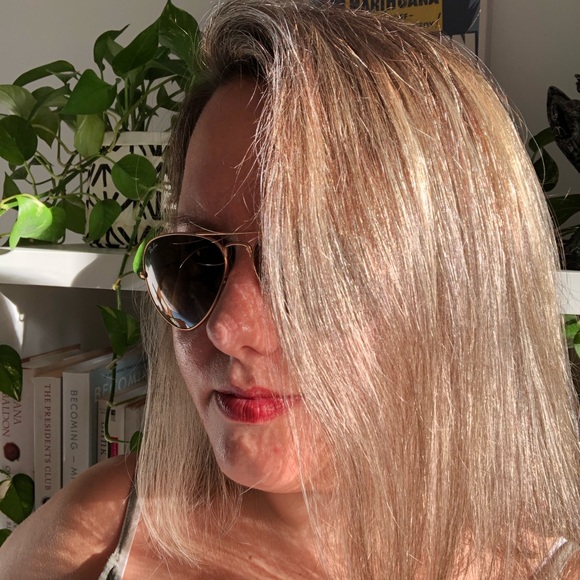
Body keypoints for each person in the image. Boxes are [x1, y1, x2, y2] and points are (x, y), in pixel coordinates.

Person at [2, 1, 580, 577]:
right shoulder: (91, 538)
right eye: (194, 263)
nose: (227, 329)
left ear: (457, 295)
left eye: (310, 272)